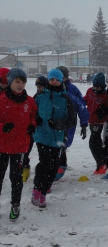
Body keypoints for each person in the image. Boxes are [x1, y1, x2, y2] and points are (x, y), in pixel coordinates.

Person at [32, 69, 76, 208]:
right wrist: (36, 119)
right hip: (42, 137)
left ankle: (43, 191)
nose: (54, 82)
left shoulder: (65, 98)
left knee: (52, 167)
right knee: (43, 164)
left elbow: (72, 120)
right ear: (48, 80)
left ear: (61, 80)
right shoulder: (40, 96)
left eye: (57, 79)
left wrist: (59, 124)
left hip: (57, 139)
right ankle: (37, 190)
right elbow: (31, 112)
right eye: (52, 79)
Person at [0, 68, 37, 221]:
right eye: (17, 81)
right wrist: (2, 126)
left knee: (16, 177)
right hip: (1, 145)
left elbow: (33, 115)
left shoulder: (29, 101)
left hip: (20, 146)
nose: (20, 85)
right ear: (10, 82)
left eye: (23, 82)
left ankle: (16, 204)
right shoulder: (1, 99)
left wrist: (33, 124)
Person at [53, 66, 89, 182]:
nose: (59, 81)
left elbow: (81, 106)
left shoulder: (72, 90)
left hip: (68, 123)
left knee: (62, 145)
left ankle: (61, 166)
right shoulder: (50, 89)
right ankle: (56, 166)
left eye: (63, 78)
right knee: (53, 146)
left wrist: (84, 124)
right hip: (53, 123)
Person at [22, 76, 47, 182]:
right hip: (33, 129)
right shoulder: (35, 97)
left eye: (41, 86)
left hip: (42, 130)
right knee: (25, 150)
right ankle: (25, 166)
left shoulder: (47, 97)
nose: (39, 88)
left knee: (43, 152)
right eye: (38, 86)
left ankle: (44, 174)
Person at [84, 72, 108, 175]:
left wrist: (104, 112)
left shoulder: (105, 95)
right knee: (98, 143)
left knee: (93, 143)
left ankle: (101, 164)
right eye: (95, 86)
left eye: (99, 87)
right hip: (91, 120)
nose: (96, 89)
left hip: (99, 122)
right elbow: (85, 100)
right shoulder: (90, 91)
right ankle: (104, 161)